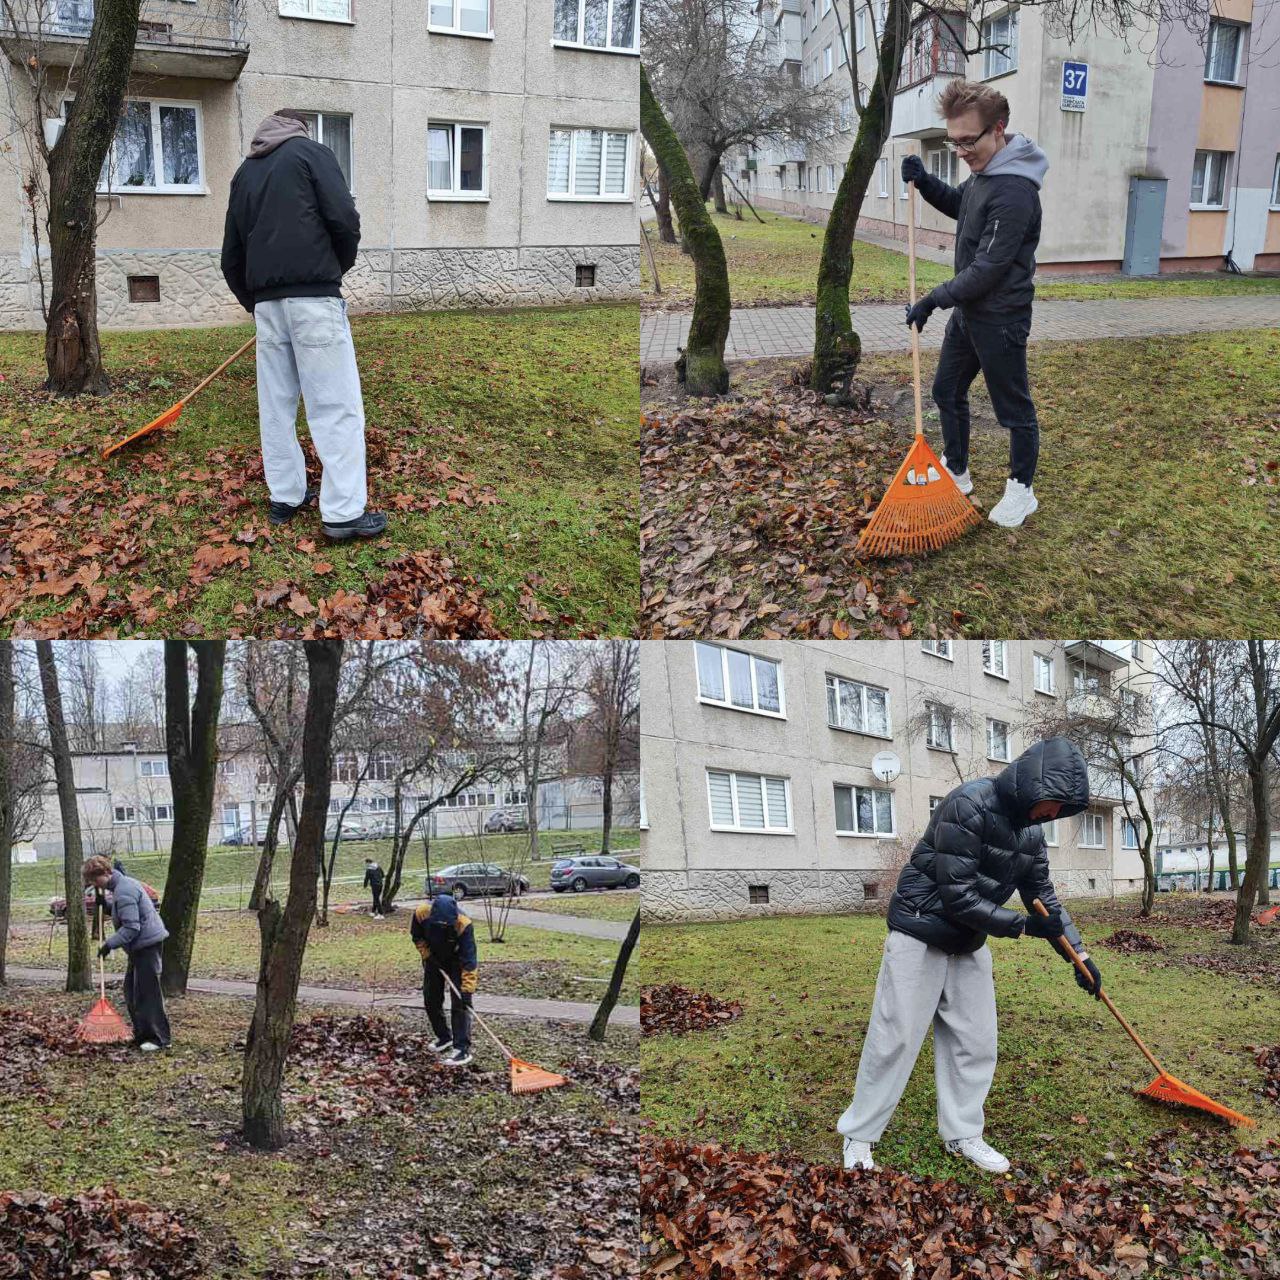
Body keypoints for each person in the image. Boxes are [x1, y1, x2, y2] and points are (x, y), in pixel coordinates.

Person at [836, 737, 1102, 1174]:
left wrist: (1080, 956)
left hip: (969, 939)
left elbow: (1043, 896)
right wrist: (1023, 926)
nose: (1056, 813)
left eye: (1063, 808)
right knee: (895, 1038)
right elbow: (957, 895)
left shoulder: (1032, 833)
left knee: (976, 1041)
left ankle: (962, 1134)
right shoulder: (968, 804)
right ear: (1035, 785)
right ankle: (859, 1135)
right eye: (1055, 801)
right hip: (919, 929)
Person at [220, 108, 387, 543]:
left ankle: (286, 496)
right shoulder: (312, 154)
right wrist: (330, 273)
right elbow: (344, 220)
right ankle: (343, 513)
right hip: (314, 299)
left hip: (268, 306)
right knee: (335, 405)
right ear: (300, 128)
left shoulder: (244, 174)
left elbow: (231, 255)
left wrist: (257, 303)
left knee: (275, 407)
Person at [900, 80, 1049, 530]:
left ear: (997, 129)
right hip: (969, 313)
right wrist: (925, 181)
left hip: (1001, 319)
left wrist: (932, 300)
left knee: (1013, 411)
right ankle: (958, 470)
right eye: (955, 142)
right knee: (946, 390)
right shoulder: (985, 175)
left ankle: (1022, 490)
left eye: (968, 141)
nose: (962, 151)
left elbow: (988, 268)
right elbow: (960, 203)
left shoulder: (1015, 191)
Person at [82, 855, 172, 1051]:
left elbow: (132, 927)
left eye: (95, 880)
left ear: (106, 873)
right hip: (140, 946)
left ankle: (159, 1039)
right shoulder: (121, 886)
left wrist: (109, 945)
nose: (95, 884)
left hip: (146, 945)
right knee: (132, 992)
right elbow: (125, 912)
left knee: (147, 993)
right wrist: (105, 906)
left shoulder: (124, 890)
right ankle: (142, 1035)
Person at [410, 893, 477, 1067]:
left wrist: (467, 991)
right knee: (431, 998)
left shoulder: (464, 924)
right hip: (434, 958)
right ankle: (444, 1037)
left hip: (456, 961)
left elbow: (469, 962)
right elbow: (417, 937)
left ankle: (462, 1049)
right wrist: (427, 955)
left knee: (459, 1003)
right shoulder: (421, 913)